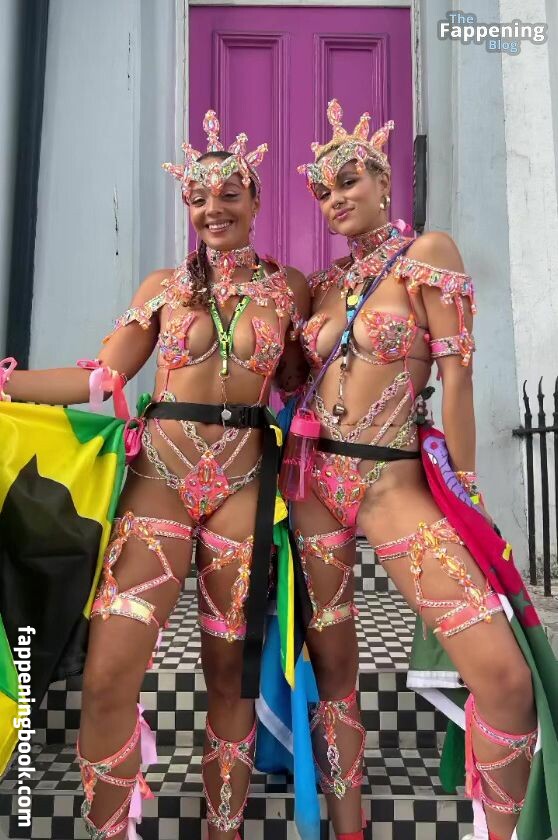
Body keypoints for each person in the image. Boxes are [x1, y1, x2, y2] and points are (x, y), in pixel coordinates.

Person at [1, 110, 309, 840]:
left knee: (229, 675)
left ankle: (223, 830)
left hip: (243, 488)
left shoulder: (291, 288)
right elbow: (100, 378)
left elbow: (305, 380)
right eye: (199, 198)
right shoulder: (164, 287)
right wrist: (5, 384)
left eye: (229, 194)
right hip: (159, 482)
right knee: (110, 672)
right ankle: (110, 831)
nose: (213, 208)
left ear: (256, 200)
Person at [286, 99, 554, 840]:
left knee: (503, 679)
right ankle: (348, 829)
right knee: (334, 676)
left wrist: (466, 487)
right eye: (323, 191)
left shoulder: (428, 254)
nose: (336, 199)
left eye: (349, 181)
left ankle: (502, 830)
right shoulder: (323, 283)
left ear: (384, 182)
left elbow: (458, 378)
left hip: (392, 486)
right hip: (311, 486)